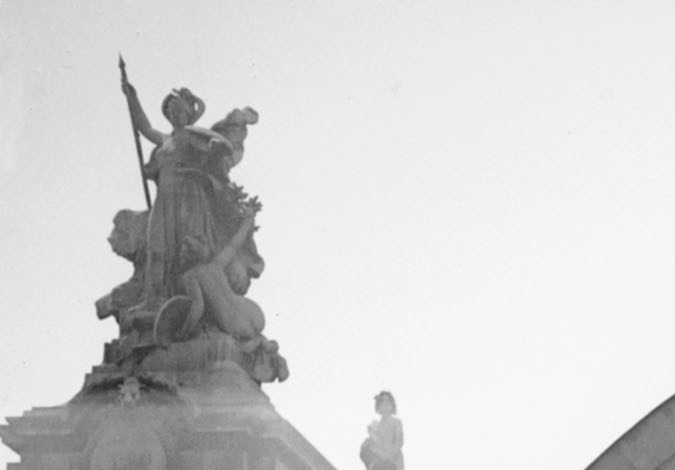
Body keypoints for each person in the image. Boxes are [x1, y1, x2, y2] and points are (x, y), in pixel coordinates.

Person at [121, 82, 244, 311]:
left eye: (180, 110)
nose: (175, 114)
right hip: (164, 201)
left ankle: (194, 300)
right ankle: (153, 300)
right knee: (156, 247)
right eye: (171, 111)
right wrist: (132, 98)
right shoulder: (165, 139)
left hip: (189, 199)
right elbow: (144, 127)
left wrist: (214, 146)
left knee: (187, 250)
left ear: (189, 113)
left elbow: (225, 146)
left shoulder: (194, 136)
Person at [360, 391, 404, 470]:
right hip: (379, 463)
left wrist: (387, 453)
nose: (385, 403)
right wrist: (371, 437)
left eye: (388, 401)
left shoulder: (396, 422)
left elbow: (398, 443)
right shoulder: (376, 425)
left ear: (392, 405)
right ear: (378, 406)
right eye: (382, 401)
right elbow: (367, 447)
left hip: (393, 462)